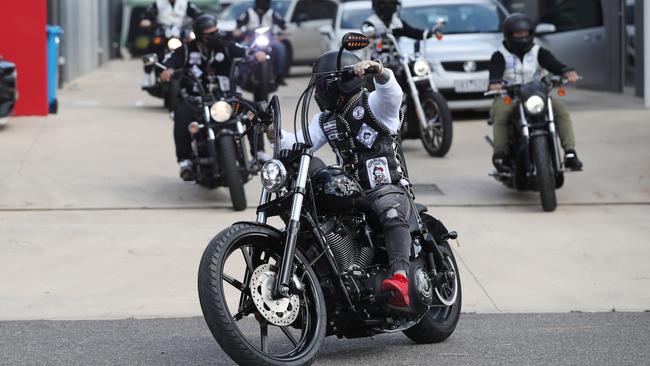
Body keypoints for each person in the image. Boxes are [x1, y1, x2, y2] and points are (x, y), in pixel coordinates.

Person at [267, 51, 413, 307]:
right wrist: (269, 127)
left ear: (341, 83)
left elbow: (393, 94)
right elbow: (296, 143)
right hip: (353, 191)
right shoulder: (325, 120)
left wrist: (378, 69)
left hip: (387, 186)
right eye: (317, 84)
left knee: (388, 210)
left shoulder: (374, 105)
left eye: (322, 84)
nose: (319, 91)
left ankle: (400, 277)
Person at [160, 14, 268, 180]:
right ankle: (185, 161)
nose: (215, 36)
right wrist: (166, 71)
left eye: (216, 31)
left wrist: (257, 54)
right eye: (210, 34)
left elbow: (245, 51)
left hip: (228, 101)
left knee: (253, 112)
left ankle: (259, 153)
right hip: (195, 102)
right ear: (200, 35)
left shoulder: (226, 47)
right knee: (181, 116)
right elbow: (170, 62)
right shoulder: (186, 50)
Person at [488, 13, 583, 171]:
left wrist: (567, 72)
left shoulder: (538, 52)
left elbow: (554, 64)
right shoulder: (499, 55)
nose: (522, 36)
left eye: (525, 33)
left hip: (536, 95)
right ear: (509, 35)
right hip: (510, 96)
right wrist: (495, 83)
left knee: (560, 109)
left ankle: (570, 153)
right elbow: (495, 73)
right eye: (518, 33)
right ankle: (500, 155)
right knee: (502, 112)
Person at [139, 0, 203, 88]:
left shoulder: (185, 3)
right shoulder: (158, 3)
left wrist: (199, 21)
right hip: (163, 35)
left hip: (180, 34)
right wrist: (148, 22)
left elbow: (199, 14)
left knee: (191, 46)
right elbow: (146, 18)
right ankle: (147, 74)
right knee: (152, 46)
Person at [234, 0, 288, 86]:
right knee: (242, 48)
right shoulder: (249, 12)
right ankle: (240, 75)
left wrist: (280, 35)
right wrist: (238, 32)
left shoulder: (272, 13)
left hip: (269, 38)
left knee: (280, 48)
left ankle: (279, 76)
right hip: (251, 39)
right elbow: (238, 27)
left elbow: (283, 26)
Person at [364, 0, 443, 41]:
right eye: (383, 4)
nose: (387, 8)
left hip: (395, 59)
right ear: (377, 6)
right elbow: (365, 38)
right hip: (374, 60)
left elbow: (414, 33)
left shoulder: (398, 23)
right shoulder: (370, 23)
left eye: (391, 4)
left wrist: (430, 33)